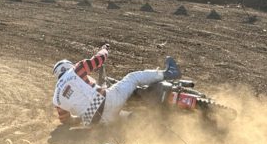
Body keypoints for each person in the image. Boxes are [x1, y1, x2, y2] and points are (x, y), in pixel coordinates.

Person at [52, 44, 181, 126]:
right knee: (133, 78)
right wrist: (104, 49)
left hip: (98, 122)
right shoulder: (75, 70)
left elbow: (66, 120)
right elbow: (99, 60)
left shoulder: (56, 99)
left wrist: (82, 116)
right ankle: (169, 73)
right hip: (107, 101)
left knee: (122, 117)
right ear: (68, 66)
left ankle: (156, 126)